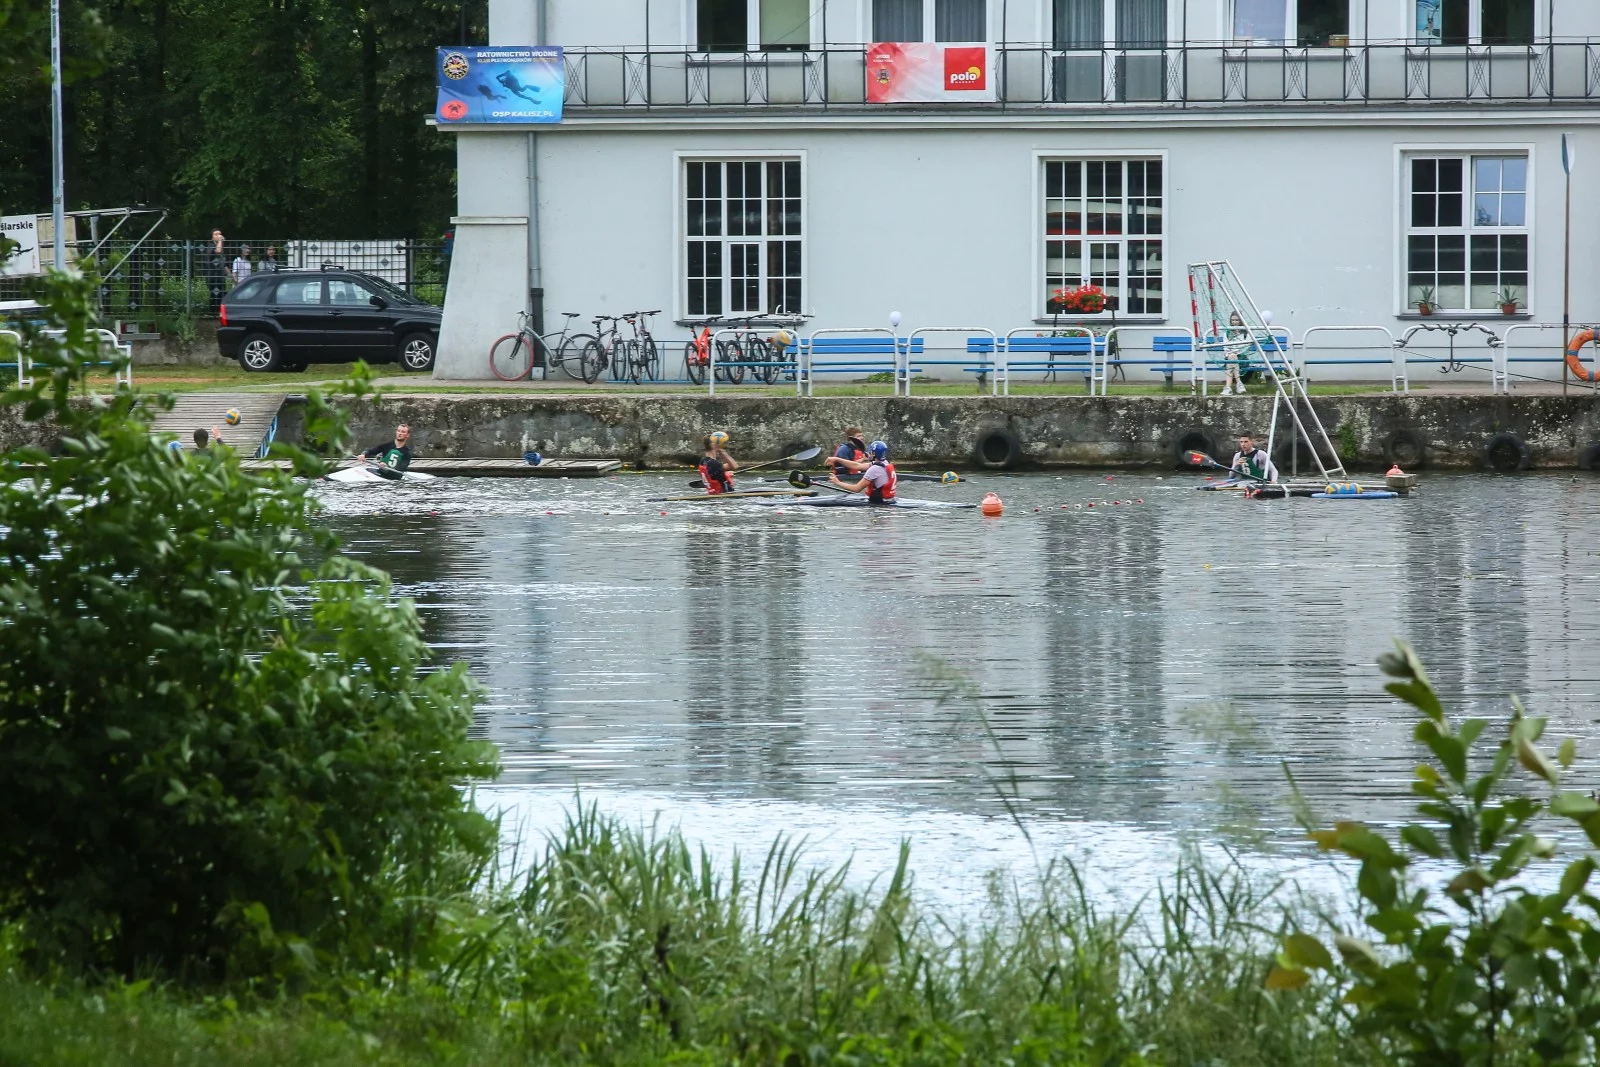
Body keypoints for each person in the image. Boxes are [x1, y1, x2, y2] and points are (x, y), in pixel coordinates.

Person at [831, 440, 897, 504]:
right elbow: (857, 466)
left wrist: (838, 483)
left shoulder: (874, 469)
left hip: (880, 505)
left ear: (874, 453)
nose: (868, 454)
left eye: (870, 452)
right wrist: (837, 459)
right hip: (890, 500)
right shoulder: (885, 463)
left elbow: (856, 489)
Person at [1222, 311, 1248, 396]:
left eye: (1237, 320)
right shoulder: (1227, 332)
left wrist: (1236, 353)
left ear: (1240, 320)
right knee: (1231, 358)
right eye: (1233, 320)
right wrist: (1230, 354)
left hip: (1242, 357)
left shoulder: (1245, 332)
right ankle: (1239, 384)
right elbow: (1225, 346)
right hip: (1230, 356)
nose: (1235, 322)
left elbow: (1246, 346)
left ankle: (1228, 387)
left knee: (1232, 359)